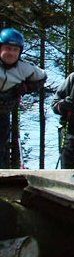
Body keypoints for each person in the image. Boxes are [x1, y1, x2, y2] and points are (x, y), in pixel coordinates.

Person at [0, 28, 47, 168]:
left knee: (1, 147)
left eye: (15, 50)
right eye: (7, 48)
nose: (11, 53)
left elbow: (43, 76)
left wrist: (26, 87)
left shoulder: (25, 68)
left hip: (3, 113)